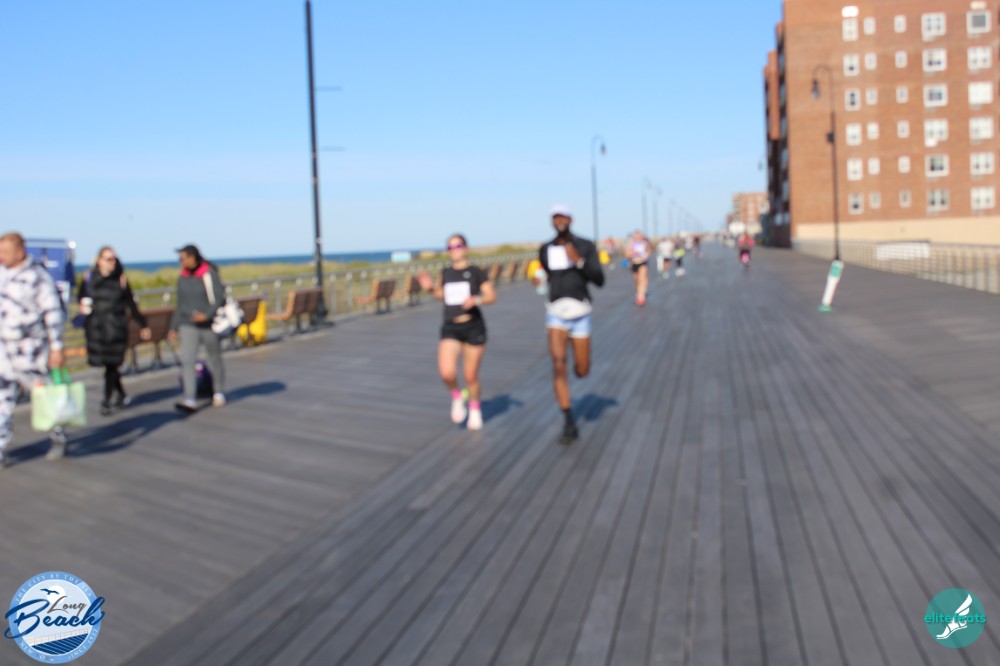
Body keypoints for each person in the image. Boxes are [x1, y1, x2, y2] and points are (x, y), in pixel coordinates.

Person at [535, 205, 605, 444]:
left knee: (582, 370)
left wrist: (579, 261)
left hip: (580, 311)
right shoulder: (545, 248)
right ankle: (568, 421)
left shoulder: (585, 245)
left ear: (570, 219)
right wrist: (539, 281)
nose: (559, 220)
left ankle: (580, 369)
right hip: (555, 312)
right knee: (558, 363)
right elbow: (546, 275)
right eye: (555, 217)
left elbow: (599, 279)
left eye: (562, 216)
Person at [0, 232, 67, 467]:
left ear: (20, 252)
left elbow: (53, 314)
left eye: (5, 252)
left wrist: (57, 347)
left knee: (44, 397)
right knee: (2, 400)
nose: (1, 256)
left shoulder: (38, 278)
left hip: (31, 351)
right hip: (4, 352)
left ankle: (58, 436)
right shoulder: (2, 274)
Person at [417, 234, 496, 430]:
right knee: (447, 373)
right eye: (450, 247)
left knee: (470, 376)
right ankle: (457, 396)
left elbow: (491, 296)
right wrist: (430, 289)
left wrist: (476, 300)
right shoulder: (446, 273)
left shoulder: (476, 272)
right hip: (451, 327)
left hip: (473, 326)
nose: (454, 250)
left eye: (458, 246)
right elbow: (443, 295)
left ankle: (475, 408)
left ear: (466, 248)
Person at [78, 247, 152, 416]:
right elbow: (81, 297)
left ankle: (106, 400)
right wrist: (83, 305)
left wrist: (143, 324)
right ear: (99, 261)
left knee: (112, 364)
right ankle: (121, 394)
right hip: (96, 328)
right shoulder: (89, 277)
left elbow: (131, 304)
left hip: (116, 328)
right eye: (108, 259)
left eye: (114, 259)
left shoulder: (121, 279)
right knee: (108, 365)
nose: (112, 262)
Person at [168, 244, 227, 412]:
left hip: (208, 324)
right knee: (187, 360)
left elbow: (219, 297)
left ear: (193, 257)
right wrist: (173, 327)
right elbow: (180, 304)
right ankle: (190, 398)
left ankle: (218, 392)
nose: (180, 261)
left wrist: (207, 315)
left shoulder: (209, 273)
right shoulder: (182, 276)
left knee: (214, 357)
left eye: (183, 258)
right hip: (188, 324)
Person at [624, 230, 653, 306]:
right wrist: (632, 254)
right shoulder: (631, 244)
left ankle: (641, 296)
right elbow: (626, 254)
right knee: (636, 279)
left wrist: (647, 255)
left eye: (640, 236)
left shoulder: (645, 243)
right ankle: (638, 292)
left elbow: (649, 251)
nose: (638, 238)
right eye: (636, 236)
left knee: (642, 278)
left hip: (643, 262)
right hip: (634, 263)